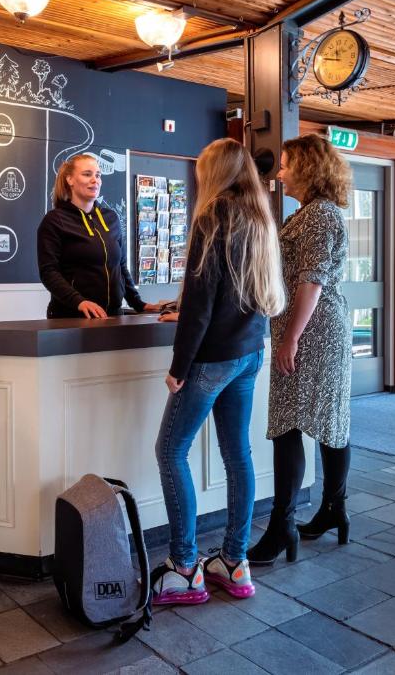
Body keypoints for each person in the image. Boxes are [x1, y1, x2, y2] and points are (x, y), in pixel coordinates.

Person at [150, 138, 286, 605]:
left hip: (211, 359)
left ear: (216, 172)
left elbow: (201, 306)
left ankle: (185, 567)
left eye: (201, 168)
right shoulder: (260, 218)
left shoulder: (212, 217)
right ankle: (234, 562)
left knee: (170, 452)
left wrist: (178, 367)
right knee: (238, 456)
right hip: (249, 354)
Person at [248, 134, 353, 565]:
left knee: (291, 424)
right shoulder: (313, 213)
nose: (281, 172)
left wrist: (290, 336)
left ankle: (282, 525)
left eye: (288, 164)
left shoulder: (318, 216)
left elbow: (311, 280)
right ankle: (332, 509)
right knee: (329, 418)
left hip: (312, 332)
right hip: (315, 328)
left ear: (309, 168)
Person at [38, 154, 160, 319]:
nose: (95, 180)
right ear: (70, 180)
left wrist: (138, 303)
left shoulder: (111, 218)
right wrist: (79, 302)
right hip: (72, 316)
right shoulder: (54, 220)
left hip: (112, 316)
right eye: (87, 174)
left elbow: (121, 267)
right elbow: (49, 272)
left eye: (98, 175)